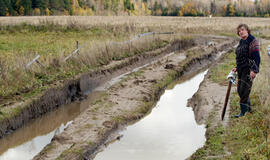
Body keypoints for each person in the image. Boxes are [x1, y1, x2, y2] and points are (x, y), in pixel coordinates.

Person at [232, 24, 261, 118]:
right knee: (240, 90)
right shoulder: (241, 41)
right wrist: (237, 67)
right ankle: (248, 108)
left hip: (249, 70)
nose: (241, 32)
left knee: (244, 91)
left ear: (247, 30)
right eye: (239, 31)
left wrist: (254, 70)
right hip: (241, 70)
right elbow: (241, 56)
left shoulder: (252, 41)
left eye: (242, 30)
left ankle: (243, 113)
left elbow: (257, 57)